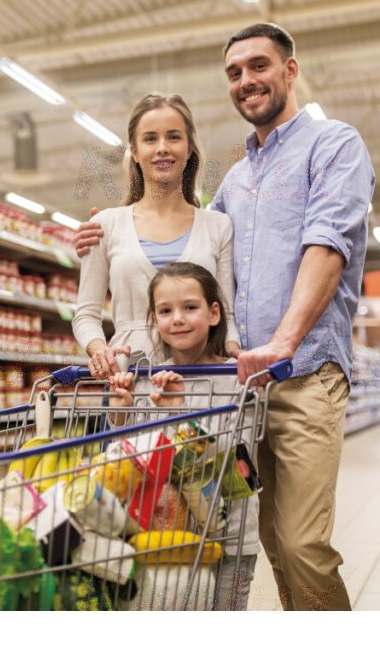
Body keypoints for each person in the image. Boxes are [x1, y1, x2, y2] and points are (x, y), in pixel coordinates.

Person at [74, 23, 374, 611]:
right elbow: (206, 285)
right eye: (234, 73)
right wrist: (97, 238)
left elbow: (328, 245)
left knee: (302, 543)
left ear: (290, 69)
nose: (246, 81)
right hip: (229, 389)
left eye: (259, 66)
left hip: (302, 371)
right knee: (267, 540)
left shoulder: (333, 144)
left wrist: (281, 342)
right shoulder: (236, 182)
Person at [107, 262, 258, 611]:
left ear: (214, 313)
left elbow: (232, 459)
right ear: (154, 319)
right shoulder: (147, 378)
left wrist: (181, 410)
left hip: (230, 534)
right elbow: (134, 457)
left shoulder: (239, 379)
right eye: (165, 311)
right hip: (165, 537)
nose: (177, 319)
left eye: (190, 307)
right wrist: (121, 410)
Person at [71, 93, 241, 380]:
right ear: (135, 151)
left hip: (203, 382)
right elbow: (86, 314)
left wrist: (234, 351)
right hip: (129, 380)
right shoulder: (105, 225)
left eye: (173, 137)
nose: (162, 148)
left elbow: (226, 313)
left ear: (189, 148)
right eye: (150, 139)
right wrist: (100, 350)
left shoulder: (218, 226)